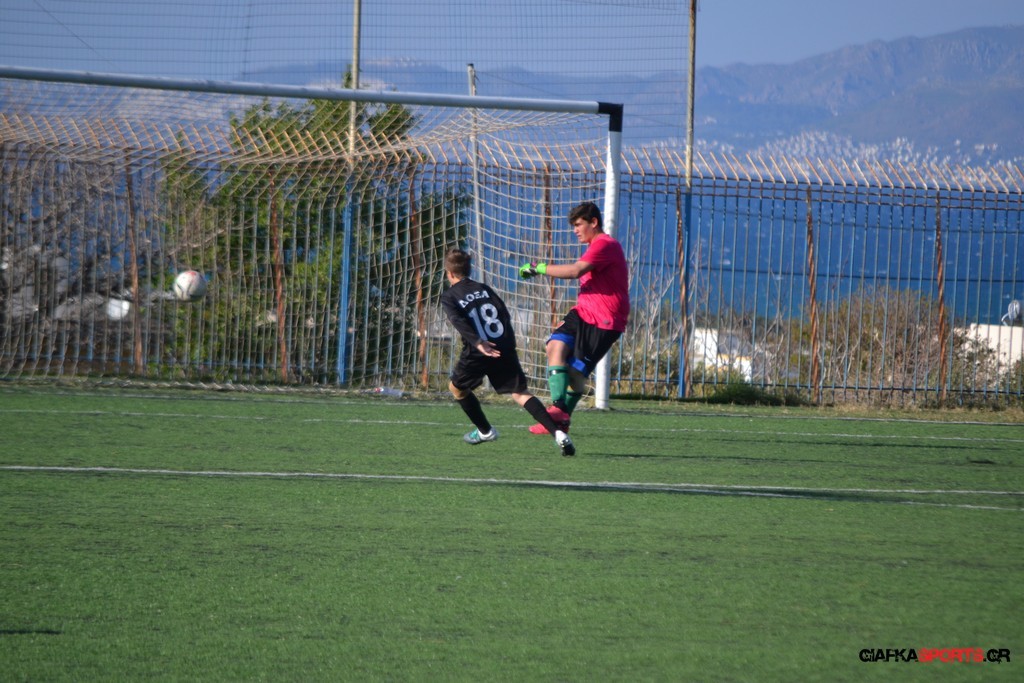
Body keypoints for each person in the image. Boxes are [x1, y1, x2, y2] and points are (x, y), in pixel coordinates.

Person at [441, 248, 575, 456]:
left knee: (456, 388)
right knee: (520, 393)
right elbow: (504, 314)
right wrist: (508, 345)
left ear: (449, 273)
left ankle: (485, 431)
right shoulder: (485, 289)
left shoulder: (449, 296)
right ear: (469, 270)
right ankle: (558, 434)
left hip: (478, 350)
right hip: (503, 346)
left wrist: (478, 343)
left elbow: (457, 321)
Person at [518, 201, 629, 434]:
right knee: (554, 346)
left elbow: (575, 271)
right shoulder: (594, 246)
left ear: (594, 222)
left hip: (605, 321)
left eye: (579, 225)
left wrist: (538, 267)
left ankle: (561, 420)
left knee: (576, 373)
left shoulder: (605, 245)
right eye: (574, 226)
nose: (575, 230)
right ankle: (558, 409)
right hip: (582, 313)